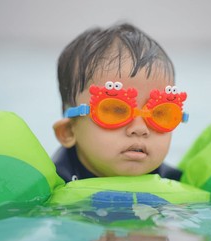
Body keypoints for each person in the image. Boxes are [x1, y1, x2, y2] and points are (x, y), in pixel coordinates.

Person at [53, 23, 188, 182]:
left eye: (161, 113)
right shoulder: (52, 186)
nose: (140, 129)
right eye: (115, 110)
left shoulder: (175, 182)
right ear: (68, 131)